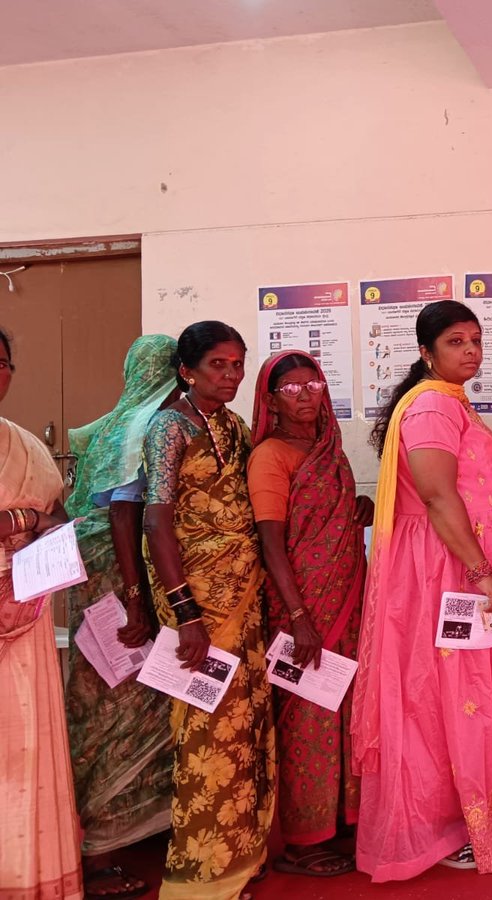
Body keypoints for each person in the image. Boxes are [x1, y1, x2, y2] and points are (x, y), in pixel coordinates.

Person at [352, 300, 492, 880]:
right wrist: (479, 569)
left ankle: (483, 818)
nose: (470, 351)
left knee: (476, 691)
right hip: (453, 570)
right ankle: (456, 824)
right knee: (456, 693)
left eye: (475, 340)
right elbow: (438, 496)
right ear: (426, 352)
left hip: (464, 563)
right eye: (455, 342)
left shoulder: (450, 401)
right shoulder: (431, 407)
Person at [142, 321, 275, 900]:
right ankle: (202, 876)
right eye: (217, 365)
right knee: (205, 732)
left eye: (237, 364)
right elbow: (155, 520)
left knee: (244, 723)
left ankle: (244, 855)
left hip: (243, 594)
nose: (230, 375)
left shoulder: (233, 425)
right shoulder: (169, 427)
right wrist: (185, 614)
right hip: (196, 602)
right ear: (186, 370)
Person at [247, 352, 372, 877]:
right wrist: (298, 616)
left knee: (346, 712)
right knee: (307, 719)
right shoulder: (270, 456)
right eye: (291, 388)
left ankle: (340, 822)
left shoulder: (328, 449)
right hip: (302, 608)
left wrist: (358, 508)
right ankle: (301, 841)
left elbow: (327, 515)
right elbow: (271, 541)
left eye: (313, 384)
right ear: (271, 400)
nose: (305, 395)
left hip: (347, 600)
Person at [64, 335, 178, 900]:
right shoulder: (142, 428)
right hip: (120, 590)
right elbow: (121, 513)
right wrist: (137, 598)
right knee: (116, 712)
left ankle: (142, 826)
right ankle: (101, 850)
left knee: (133, 705)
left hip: (94, 589)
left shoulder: (106, 427)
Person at [0, 328, 84, 900]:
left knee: (27, 744)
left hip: (25, 609)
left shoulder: (25, 445)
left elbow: (57, 513)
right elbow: (37, 517)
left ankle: (27, 876)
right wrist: (25, 521)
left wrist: (40, 527)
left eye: (1, 362)